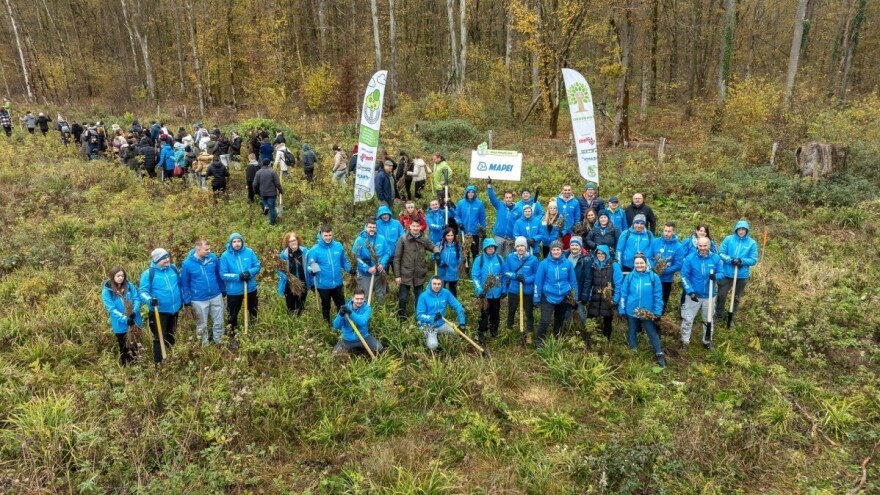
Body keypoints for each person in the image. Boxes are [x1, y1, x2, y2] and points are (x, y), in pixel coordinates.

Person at [617, 253, 666, 367]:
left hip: (647, 311)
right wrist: (622, 308)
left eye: (641, 263)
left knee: (651, 332)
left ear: (646, 263)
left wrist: (657, 311)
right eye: (636, 263)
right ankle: (633, 350)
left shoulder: (653, 277)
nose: (639, 265)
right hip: (631, 310)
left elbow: (658, 296)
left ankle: (659, 353)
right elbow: (624, 294)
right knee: (632, 330)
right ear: (634, 264)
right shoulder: (629, 277)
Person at [138, 248, 183, 364]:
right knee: (159, 337)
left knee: (171, 333)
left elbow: (180, 284)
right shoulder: (149, 274)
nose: (167, 260)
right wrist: (150, 300)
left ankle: (171, 358)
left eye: (167, 257)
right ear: (157, 260)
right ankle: (159, 363)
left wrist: (182, 299)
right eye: (163, 258)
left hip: (174, 309)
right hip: (159, 311)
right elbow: (142, 292)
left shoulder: (173, 269)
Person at [180, 240, 226, 346]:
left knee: (219, 320)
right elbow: (184, 283)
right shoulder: (187, 264)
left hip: (216, 295)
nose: (209, 251)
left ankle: (219, 341)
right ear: (198, 248)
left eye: (210, 249)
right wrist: (186, 299)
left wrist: (223, 289)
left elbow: (218, 275)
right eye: (206, 249)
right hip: (198, 299)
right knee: (201, 324)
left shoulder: (213, 258)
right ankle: (204, 345)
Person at [393, 218, 440, 320]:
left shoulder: (424, 239)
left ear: (420, 227)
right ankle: (401, 317)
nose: (415, 228)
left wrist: (436, 253)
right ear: (409, 226)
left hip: (419, 274)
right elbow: (397, 258)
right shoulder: (403, 239)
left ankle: (419, 317)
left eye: (417, 226)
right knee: (403, 298)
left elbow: (433, 246)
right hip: (406, 273)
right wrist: (397, 275)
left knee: (419, 297)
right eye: (413, 226)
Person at [680, 237, 722, 351]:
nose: (702, 248)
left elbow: (722, 272)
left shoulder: (715, 258)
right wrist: (690, 291)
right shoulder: (690, 258)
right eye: (700, 246)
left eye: (705, 246)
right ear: (697, 246)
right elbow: (684, 276)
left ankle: (707, 340)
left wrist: (716, 277)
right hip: (693, 295)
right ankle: (685, 341)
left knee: (708, 319)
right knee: (688, 319)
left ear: (709, 245)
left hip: (709, 295)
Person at [220, 233, 261, 348]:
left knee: (253, 311)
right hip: (234, 291)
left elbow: (257, 266)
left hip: (250, 288)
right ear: (230, 243)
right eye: (234, 242)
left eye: (239, 241)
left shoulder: (249, 252)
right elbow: (223, 275)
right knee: (232, 315)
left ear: (242, 242)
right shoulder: (225, 256)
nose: (237, 244)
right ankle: (233, 337)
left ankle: (254, 332)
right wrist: (238, 276)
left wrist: (249, 272)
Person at [534, 240, 577, 348]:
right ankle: (539, 342)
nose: (556, 251)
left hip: (563, 296)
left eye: (558, 249)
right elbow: (538, 281)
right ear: (550, 251)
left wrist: (574, 297)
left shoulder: (568, 263)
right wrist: (536, 297)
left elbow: (573, 281)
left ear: (561, 250)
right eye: (554, 249)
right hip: (548, 296)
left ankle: (557, 338)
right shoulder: (544, 264)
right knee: (545, 320)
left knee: (559, 319)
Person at [714, 220, 759, 326]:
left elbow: (753, 259)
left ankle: (731, 316)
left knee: (736, 297)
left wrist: (741, 261)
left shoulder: (752, 243)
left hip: (741, 275)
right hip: (726, 273)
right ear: (736, 229)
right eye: (739, 229)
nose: (741, 231)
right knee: (721, 295)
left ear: (747, 230)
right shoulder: (728, 239)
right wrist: (730, 260)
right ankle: (718, 315)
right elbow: (721, 253)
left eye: (743, 229)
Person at [308, 225, 354, 324]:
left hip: (338, 282)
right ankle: (327, 325)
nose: (328, 238)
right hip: (323, 284)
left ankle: (340, 324)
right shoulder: (314, 250)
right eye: (326, 235)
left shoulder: (338, 246)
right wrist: (312, 270)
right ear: (321, 235)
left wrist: (349, 269)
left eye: (330, 235)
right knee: (326, 305)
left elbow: (344, 261)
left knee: (341, 305)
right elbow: (310, 265)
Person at [102, 266, 143, 366]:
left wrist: (134, 311)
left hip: (134, 321)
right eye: (118, 276)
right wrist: (125, 319)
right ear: (112, 277)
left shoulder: (129, 285)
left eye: (122, 275)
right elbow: (111, 309)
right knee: (125, 348)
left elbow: (137, 298)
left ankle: (139, 365)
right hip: (120, 325)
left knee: (137, 345)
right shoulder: (107, 291)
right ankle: (127, 369)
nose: (121, 278)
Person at [501, 236, 539, 340]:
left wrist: (526, 279)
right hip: (514, 290)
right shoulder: (510, 258)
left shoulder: (533, 259)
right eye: (518, 246)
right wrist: (515, 276)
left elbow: (536, 275)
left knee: (528, 313)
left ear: (526, 247)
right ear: (515, 247)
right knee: (511, 311)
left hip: (527, 291)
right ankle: (509, 331)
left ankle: (529, 333)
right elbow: (506, 272)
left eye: (522, 245)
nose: (520, 248)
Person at [416, 276, 467, 351]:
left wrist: (462, 323)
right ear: (430, 284)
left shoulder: (445, 293)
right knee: (433, 346)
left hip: (442, 323)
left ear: (442, 284)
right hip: (428, 325)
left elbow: (458, 306)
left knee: (459, 333)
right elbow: (419, 315)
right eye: (434, 284)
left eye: (439, 284)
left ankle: (440, 336)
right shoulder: (423, 296)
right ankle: (429, 336)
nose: (437, 286)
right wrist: (432, 318)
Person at [586, 245, 623, 343]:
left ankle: (606, 342)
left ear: (606, 254)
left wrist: (615, 299)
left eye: (603, 253)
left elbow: (619, 284)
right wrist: (588, 295)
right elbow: (589, 281)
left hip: (608, 298)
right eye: (598, 253)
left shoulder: (613, 265)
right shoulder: (593, 264)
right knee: (591, 319)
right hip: (595, 296)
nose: (600, 255)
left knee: (607, 321)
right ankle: (589, 341)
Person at [332, 289, 383, 356]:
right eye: (357, 299)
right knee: (336, 354)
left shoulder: (367, 308)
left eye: (361, 299)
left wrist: (350, 313)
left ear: (364, 298)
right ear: (352, 298)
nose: (359, 301)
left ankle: (362, 349)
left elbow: (362, 322)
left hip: (363, 337)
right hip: (347, 339)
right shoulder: (345, 308)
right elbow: (336, 326)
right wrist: (340, 315)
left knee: (379, 348)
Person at [471, 238, 504, 343]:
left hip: (496, 293)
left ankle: (494, 330)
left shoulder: (499, 259)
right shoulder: (479, 260)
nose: (490, 249)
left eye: (492, 247)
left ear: (495, 248)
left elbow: (503, 275)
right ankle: (481, 332)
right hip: (484, 294)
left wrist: (503, 289)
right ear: (485, 249)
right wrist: (479, 290)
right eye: (488, 247)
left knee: (495, 312)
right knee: (483, 314)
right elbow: (475, 276)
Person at [352, 217, 390, 304]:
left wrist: (382, 264)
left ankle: (380, 313)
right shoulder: (359, 240)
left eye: (374, 227)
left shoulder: (381, 239)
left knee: (380, 296)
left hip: (379, 272)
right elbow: (356, 257)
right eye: (370, 227)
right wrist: (367, 268)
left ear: (376, 228)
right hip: (365, 274)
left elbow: (387, 253)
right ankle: (365, 314)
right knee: (364, 297)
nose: (372, 229)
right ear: (366, 228)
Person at [277, 231, 313, 316]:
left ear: (298, 240)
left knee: (300, 306)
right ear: (287, 243)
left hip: (302, 283)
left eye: (294, 240)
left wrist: (311, 270)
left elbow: (312, 263)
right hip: (289, 285)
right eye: (290, 241)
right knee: (290, 307)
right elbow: (278, 269)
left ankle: (299, 321)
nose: (293, 242)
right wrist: (285, 276)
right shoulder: (283, 255)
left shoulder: (305, 253)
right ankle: (292, 323)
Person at [652, 222, 684, 312]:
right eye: (665, 230)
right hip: (652, 277)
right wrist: (653, 269)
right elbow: (649, 257)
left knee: (662, 301)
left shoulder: (678, 246)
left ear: (674, 232)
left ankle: (659, 318)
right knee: (651, 298)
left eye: (669, 231)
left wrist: (663, 271)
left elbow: (678, 265)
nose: (666, 233)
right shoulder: (655, 241)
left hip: (666, 280)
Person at [456, 185, 487, 262]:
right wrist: (460, 223)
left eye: (472, 192)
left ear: (475, 193)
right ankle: (466, 270)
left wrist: (483, 230)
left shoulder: (479, 204)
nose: (471, 194)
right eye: (469, 192)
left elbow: (482, 218)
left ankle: (475, 270)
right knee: (464, 253)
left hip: (475, 232)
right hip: (463, 232)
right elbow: (456, 216)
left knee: (475, 253)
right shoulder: (461, 203)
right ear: (466, 193)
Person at [486, 179, 517, 257]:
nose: (508, 199)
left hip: (510, 239)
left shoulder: (518, 210)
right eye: (506, 197)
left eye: (510, 197)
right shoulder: (500, 206)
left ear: (512, 198)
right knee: (496, 257)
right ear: (504, 199)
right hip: (499, 236)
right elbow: (492, 198)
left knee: (508, 258)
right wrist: (489, 186)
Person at [567, 236, 593, 328]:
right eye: (572, 245)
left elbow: (588, 279)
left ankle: (584, 333)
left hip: (580, 291)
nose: (574, 247)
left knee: (581, 314)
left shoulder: (586, 259)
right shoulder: (565, 256)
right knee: (567, 314)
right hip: (567, 291)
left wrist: (585, 295)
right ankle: (569, 332)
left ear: (580, 246)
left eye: (576, 245)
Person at [253, 159, 284, 226]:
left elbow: (255, 184)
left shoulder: (258, 172)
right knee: (272, 208)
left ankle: (265, 206)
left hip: (263, 193)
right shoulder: (273, 172)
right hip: (272, 193)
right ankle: (272, 223)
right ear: (269, 164)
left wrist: (256, 191)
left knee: (264, 200)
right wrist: (281, 190)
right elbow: (277, 183)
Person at [437, 227, 462, 297]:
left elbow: (460, 258)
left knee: (453, 290)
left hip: (453, 272)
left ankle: (454, 304)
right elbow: (434, 256)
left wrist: (459, 263)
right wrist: (440, 262)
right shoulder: (439, 245)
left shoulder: (457, 246)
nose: (450, 237)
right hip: (442, 271)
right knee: (441, 289)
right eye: (448, 235)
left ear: (454, 236)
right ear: (445, 236)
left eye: (452, 235)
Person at [555, 185, 582, 249]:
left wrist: (576, 230)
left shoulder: (575, 202)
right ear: (562, 191)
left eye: (569, 190)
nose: (567, 191)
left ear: (571, 191)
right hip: (558, 231)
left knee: (568, 250)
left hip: (569, 231)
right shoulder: (556, 200)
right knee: (558, 249)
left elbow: (577, 216)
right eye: (565, 190)